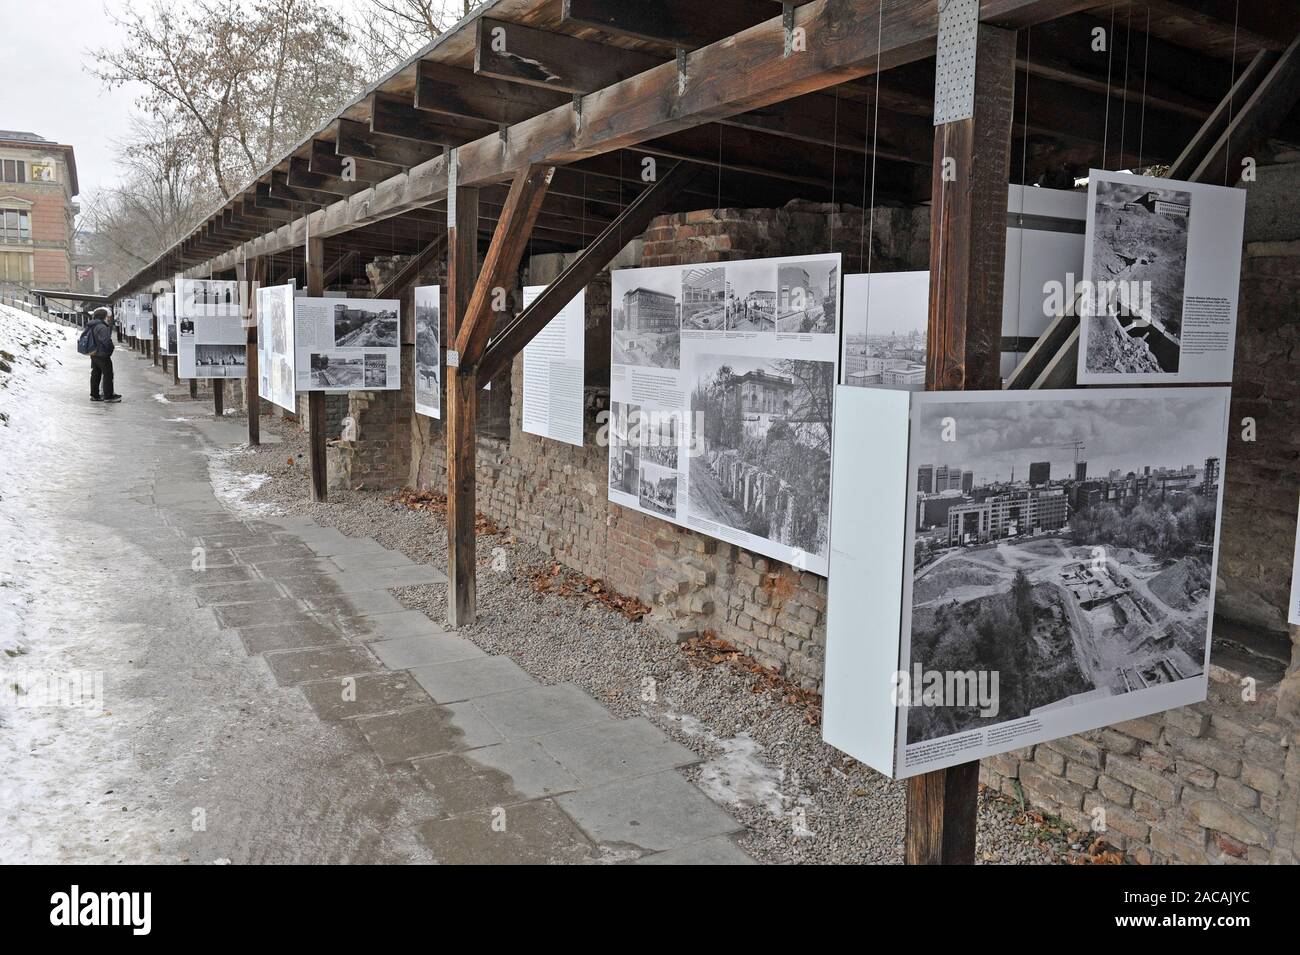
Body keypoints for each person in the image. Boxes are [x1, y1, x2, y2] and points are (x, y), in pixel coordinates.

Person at [87, 307, 121, 403]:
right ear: (104, 316)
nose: (109, 318)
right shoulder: (102, 326)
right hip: (102, 354)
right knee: (108, 374)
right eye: (107, 316)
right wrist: (110, 349)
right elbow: (105, 341)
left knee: (96, 374)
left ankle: (94, 395)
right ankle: (108, 396)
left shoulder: (92, 325)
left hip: (93, 353)